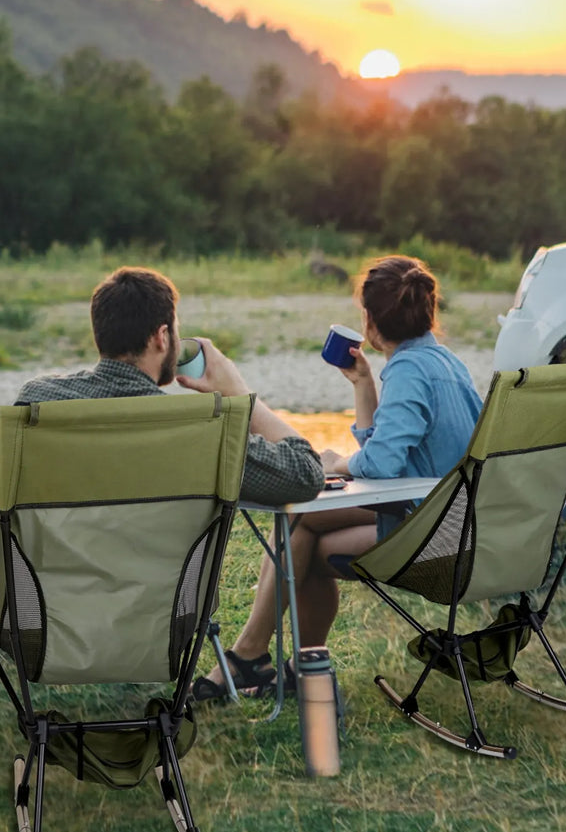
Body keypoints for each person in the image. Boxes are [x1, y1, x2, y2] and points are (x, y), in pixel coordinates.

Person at [0, 266, 324, 574]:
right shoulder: (194, 427)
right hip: (155, 623)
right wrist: (241, 395)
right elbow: (306, 473)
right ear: (162, 337)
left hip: (47, 619)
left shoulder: (39, 402)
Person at [192, 254, 484, 701]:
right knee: (304, 534)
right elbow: (388, 450)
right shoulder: (445, 363)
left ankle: (254, 656)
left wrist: (335, 464)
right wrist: (363, 385)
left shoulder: (408, 371)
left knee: (301, 527)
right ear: (429, 312)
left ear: (368, 321)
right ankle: (289, 665)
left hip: (431, 533)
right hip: (453, 520)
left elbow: (379, 465)